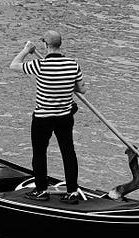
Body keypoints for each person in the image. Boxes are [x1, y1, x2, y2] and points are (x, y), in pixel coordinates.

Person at [9, 30, 85, 204]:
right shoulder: (73, 65)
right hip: (65, 116)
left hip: (43, 117)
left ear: (45, 45)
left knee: (39, 153)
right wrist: (64, 84)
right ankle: (72, 192)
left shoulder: (40, 65)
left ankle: (41, 190)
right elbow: (82, 89)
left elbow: (13, 65)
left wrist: (26, 50)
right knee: (68, 153)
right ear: (59, 44)